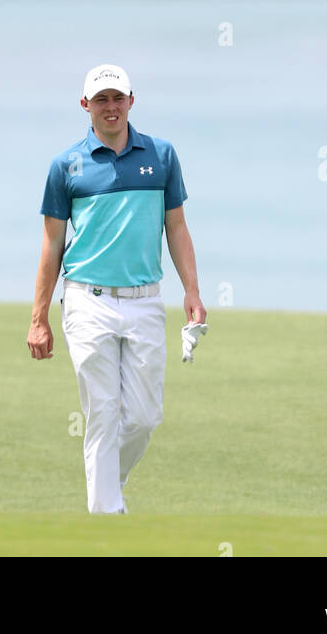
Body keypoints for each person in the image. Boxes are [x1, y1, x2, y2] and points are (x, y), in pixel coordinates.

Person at [26, 63, 207, 514]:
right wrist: (38, 319)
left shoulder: (162, 156)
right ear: (85, 105)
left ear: (131, 101)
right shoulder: (66, 165)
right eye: (101, 99)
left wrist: (192, 291)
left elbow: (177, 228)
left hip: (146, 300)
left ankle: (108, 487)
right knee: (103, 413)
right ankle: (107, 519)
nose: (111, 107)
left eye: (117, 98)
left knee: (145, 418)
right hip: (87, 301)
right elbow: (52, 244)